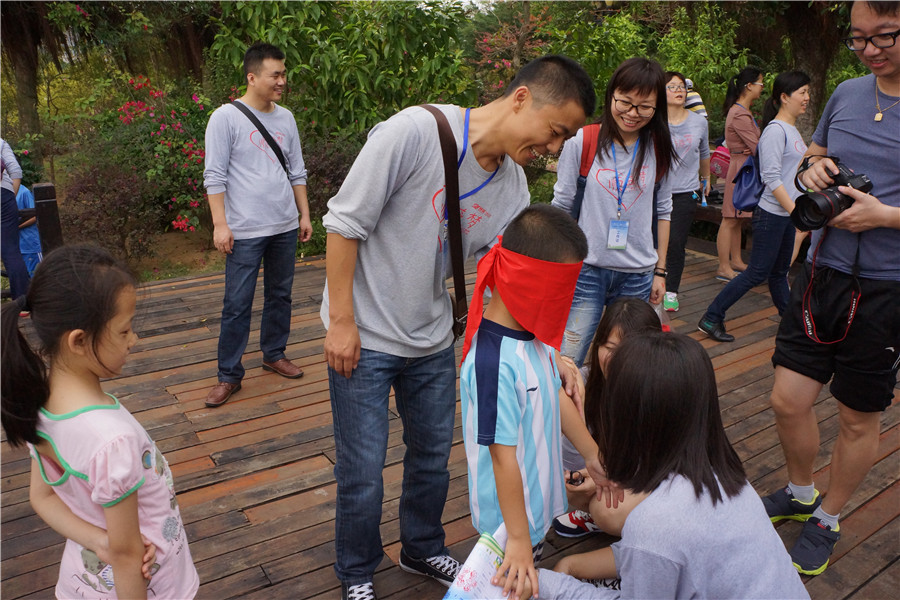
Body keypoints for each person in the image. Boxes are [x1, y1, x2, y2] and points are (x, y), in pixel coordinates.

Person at [321, 55, 596, 600]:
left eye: (564, 139)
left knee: (430, 458)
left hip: (430, 334)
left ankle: (421, 546)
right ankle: (356, 571)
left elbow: (513, 280)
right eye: (555, 131)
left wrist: (551, 351)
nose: (554, 147)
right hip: (365, 333)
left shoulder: (513, 189)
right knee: (363, 467)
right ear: (521, 98)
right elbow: (343, 224)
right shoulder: (413, 133)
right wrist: (342, 321)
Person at [506, 333, 809, 599]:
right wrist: (572, 565)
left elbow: (655, 549)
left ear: (628, 416)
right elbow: (665, 558)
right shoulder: (726, 479)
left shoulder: (654, 526)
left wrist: (546, 584)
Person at [763, 0, 900, 576]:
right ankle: (801, 492)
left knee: (856, 416)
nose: (869, 50)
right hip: (821, 271)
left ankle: (828, 515)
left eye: (884, 37)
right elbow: (813, 158)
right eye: (858, 38)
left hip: (887, 287)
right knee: (786, 398)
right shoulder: (846, 93)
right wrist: (811, 170)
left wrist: (885, 217)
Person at [0, 245, 199, 599]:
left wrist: (99, 541)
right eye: (124, 331)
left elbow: (42, 497)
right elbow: (127, 557)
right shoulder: (111, 441)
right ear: (79, 340)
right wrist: (113, 547)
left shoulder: (39, 405)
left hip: (82, 585)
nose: (133, 339)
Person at [459, 204, 606, 600]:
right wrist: (520, 540)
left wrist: (592, 455)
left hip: (533, 511)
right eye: (561, 291)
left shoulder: (535, 339)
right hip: (507, 527)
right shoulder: (493, 363)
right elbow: (501, 457)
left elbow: (555, 395)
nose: (565, 302)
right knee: (511, 587)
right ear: (530, 282)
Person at [203, 42, 313, 408]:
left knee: (280, 294)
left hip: (284, 225)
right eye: (275, 75)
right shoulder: (225, 118)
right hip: (245, 229)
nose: (282, 81)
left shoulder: (286, 118)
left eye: (284, 74)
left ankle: (274, 353)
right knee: (237, 303)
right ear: (252, 77)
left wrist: (304, 214)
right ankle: (228, 374)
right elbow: (214, 176)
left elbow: (297, 171)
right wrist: (220, 225)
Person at [551, 57, 674, 368]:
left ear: (657, 107)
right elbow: (562, 204)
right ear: (611, 96)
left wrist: (660, 272)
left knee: (626, 364)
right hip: (587, 270)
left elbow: (664, 211)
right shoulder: (585, 140)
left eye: (644, 107)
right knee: (568, 360)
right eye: (625, 102)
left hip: (637, 275)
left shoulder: (659, 147)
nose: (632, 113)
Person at [698, 71, 811, 343]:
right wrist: (796, 212)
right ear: (784, 97)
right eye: (803, 92)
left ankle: (791, 323)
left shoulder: (792, 129)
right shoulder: (775, 131)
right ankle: (712, 316)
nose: (807, 97)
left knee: (779, 273)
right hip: (772, 214)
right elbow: (771, 177)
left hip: (785, 214)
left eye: (808, 92)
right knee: (757, 272)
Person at [552, 297, 662, 538]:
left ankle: (643, 536)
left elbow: (662, 467)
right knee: (569, 485)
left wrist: (611, 478)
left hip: (656, 484)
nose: (616, 359)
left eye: (628, 351)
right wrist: (577, 410)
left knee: (607, 511)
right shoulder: (584, 381)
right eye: (609, 348)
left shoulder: (660, 390)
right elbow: (569, 464)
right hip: (612, 475)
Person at [662, 71, 711, 312]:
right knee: (651, 240)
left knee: (676, 242)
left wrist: (706, 178)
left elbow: (704, 152)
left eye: (681, 86)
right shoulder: (654, 121)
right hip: (656, 190)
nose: (679, 90)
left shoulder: (698, 122)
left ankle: (671, 291)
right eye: (672, 86)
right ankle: (650, 281)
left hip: (686, 191)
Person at [716, 67, 764, 282]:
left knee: (737, 218)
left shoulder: (743, 112)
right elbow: (756, 146)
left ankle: (735, 260)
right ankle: (723, 266)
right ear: (749, 86)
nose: (762, 87)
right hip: (741, 169)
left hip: (743, 166)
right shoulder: (740, 114)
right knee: (729, 218)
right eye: (760, 83)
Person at [1, 138, 30, 299]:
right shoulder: (0, 142)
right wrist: (11, 198)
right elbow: (16, 171)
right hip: (3, 194)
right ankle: (22, 303)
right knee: (11, 251)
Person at [16, 184, 43, 276]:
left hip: (30, 246)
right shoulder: (5, 193)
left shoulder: (24, 192)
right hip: (15, 248)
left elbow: (36, 216)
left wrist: (17, 227)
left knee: (37, 278)